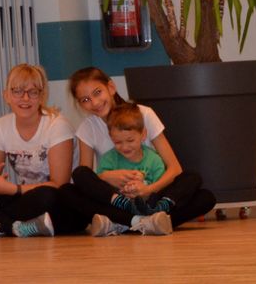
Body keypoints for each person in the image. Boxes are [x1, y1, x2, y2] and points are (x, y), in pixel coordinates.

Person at [62, 66, 216, 237]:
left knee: (203, 194)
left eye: (97, 92)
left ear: (111, 87)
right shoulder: (87, 128)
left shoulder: (144, 114)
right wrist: (107, 177)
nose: (95, 102)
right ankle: (142, 222)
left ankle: (128, 223)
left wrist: (148, 190)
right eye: (85, 100)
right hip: (117, 199)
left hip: (152, 195)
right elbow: (85, 180)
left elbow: (174, 168)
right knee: (70, 187)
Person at [0, 64, 88, 239]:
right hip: (21, 199)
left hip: (56, 202)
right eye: (17, 91)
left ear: (42, 96)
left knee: (47, 196)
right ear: (6, 95)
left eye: (33, 92)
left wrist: (13, 189)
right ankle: (12, 226)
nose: (25, 98)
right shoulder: (1, 126)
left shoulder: (57, 125)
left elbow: (59, 185)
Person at [94, 102, 167, 216]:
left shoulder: (154, 160)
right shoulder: (108, 160)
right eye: (118, 142)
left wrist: (145, 189)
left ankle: (150, 215)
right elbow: (98, 187)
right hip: (118, 209)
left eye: (130, 140)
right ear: (111, 137)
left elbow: (161, 188)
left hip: (148, 205)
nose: (124, 147)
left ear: (143, 135)